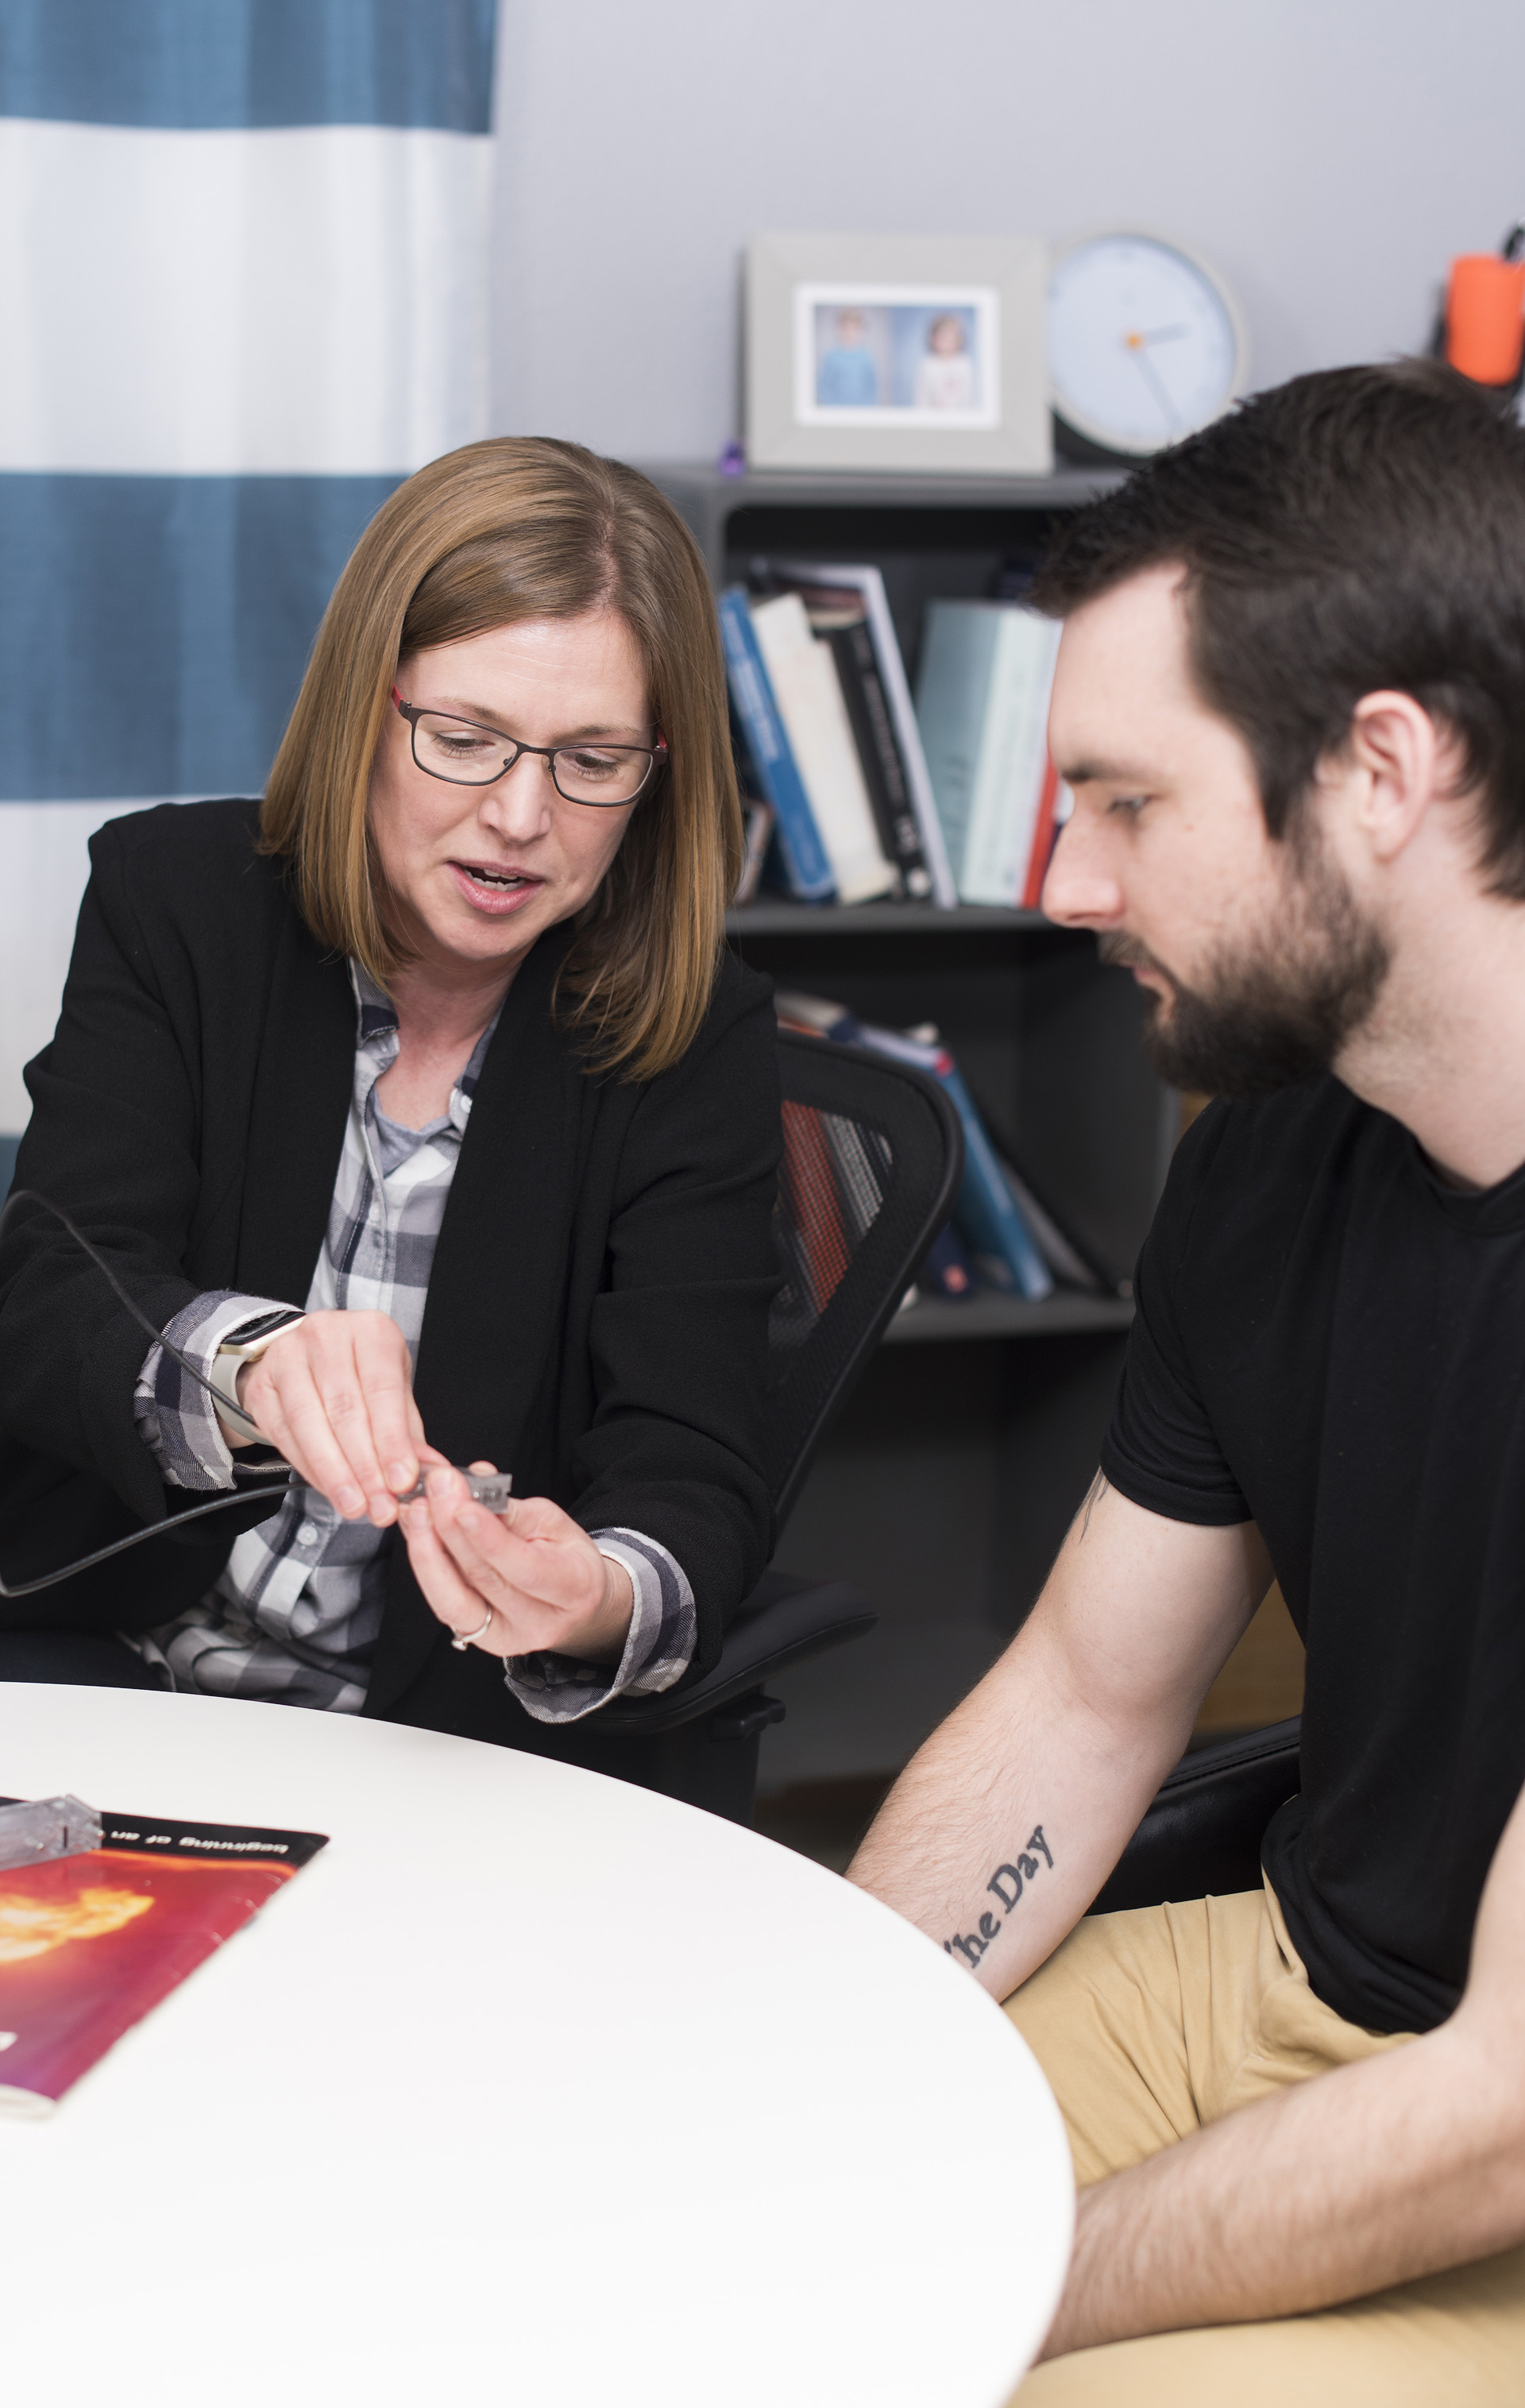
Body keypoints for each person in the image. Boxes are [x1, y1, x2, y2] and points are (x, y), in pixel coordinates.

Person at [849, 362, 1525, 2401]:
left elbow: (1502, 2101)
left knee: (972, 2364)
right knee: (714, 2194)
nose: (1064, 885)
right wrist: (824, 2034)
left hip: (1493, 2117)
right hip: (1299, 1981)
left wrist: (1013, 2284)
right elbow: (1086, 1695)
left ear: (1381, 771)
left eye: (1128, 803)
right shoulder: (1269, 1155)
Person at [0, 438, 782, 1803]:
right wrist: (246, 1363)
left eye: (594, 760)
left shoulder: (696, 1033)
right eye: (466, 739)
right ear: (368, 707)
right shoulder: (172, 902)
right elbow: (56, 1283)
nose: (522, 816)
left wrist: (593, 1590)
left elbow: (695, 1460)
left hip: (439, 1746)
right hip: (114, 1667)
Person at [816, 307, 879, 408]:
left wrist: (866, 409)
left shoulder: (866, 357)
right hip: (836, 411)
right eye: (846, 328)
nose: (850, 333)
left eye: (855, 329)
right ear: (839, 329)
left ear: (861, 331)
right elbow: (825, 386)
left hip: (862, 411)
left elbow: (871, 387)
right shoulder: (832, 356)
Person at [913, 311, 975, 412]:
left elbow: (968, 397)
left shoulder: (964, 364)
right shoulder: (927, 365)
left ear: (959, 340)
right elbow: (922, 397)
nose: (947, 343)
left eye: (951, 339)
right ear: (933, 340)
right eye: (943, 338)